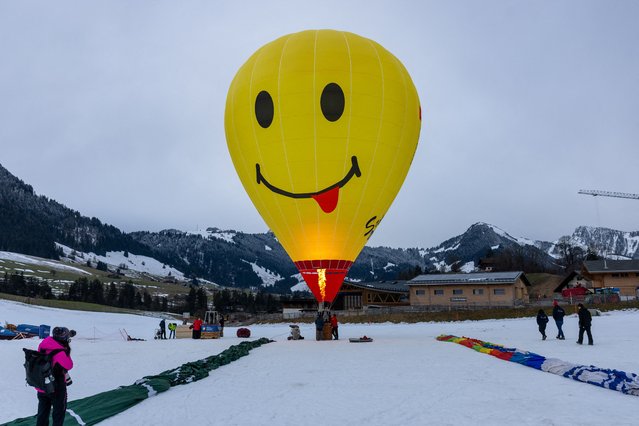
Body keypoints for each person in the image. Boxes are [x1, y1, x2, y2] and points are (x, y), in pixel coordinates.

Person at [36, 327, 74, 426]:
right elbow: (69, 365)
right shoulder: (60, 352)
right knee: (58, 414)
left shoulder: (44, 344)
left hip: (42, 385)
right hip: (56, 388)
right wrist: (66, 349)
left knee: (42, 414)